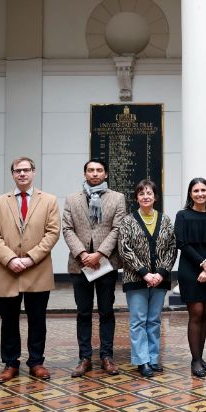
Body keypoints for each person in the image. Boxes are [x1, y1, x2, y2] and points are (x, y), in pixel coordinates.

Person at [0, 157, 61, 383]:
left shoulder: (49, 200)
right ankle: (10, 363)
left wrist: (30, 258)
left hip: (37, 270)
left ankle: (36, 362)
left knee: (37, 319)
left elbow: (52, 233)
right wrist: (10, 259)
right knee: (8, 320)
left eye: (26, 170)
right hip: (8, 271)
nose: (22, 174)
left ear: (34, 172)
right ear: (12, 174)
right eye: (17, 171)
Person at [62, 158, 128, 378]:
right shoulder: (72, 199)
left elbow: (118, 228)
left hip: (105, 264)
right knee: (83, 312)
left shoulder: (118, 198)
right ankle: (85, 358)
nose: (94, 174)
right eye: (90, 170)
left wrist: (99, 254)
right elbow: (67, 229)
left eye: (99, 170)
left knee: (106, 311)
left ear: (106, 174)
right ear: (84, 174)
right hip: (79, 264)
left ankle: (107, 357)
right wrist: (83, 254)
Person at [118, 179, 177, 378]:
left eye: (149, 193)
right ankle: (142, 360)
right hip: (136, 279)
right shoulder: (127, 221)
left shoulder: (166, 220)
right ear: (136, 198)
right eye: (141, 193)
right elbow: (124, 249)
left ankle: (153, 358)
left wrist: (161, 273)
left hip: (160, 279)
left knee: (154, 320)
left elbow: (171, 248)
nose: (146, 196)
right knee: (138, 321)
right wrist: (144, 272)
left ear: (155, 197)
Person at [175, 177, 206, 378]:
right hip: (190, 269)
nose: (200, 194)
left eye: (204, 190)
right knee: (195, 313)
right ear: (190, 194)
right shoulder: (183, 215)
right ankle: (195, 361)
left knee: (205, 314)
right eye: (196, 190)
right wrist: (203, 264)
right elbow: (182, 243)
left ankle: (201, 357)